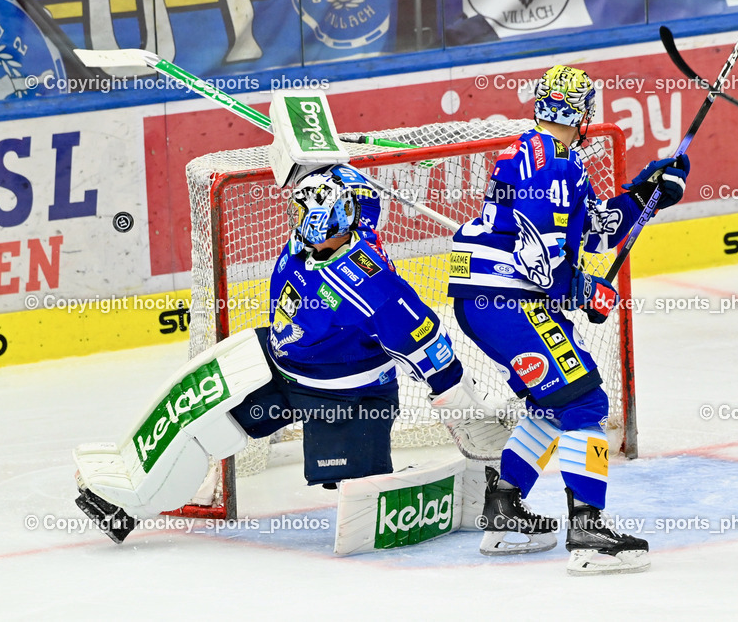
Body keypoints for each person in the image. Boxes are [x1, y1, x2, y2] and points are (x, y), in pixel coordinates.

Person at [74, 167, 498, 544]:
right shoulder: (330, 225)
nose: (296, 222)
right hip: (276, 363)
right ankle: (124, 507)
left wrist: (465, 411)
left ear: (332, 220)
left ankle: (491, 484)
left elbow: (428, 346)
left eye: (305, 215)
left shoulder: (374, 286)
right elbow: (345, 183)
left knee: (362, 490)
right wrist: (317, 156)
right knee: (195, 415)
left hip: (345, 397)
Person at [447, 64, 690, 574]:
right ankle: (587, 531)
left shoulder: (545, 156)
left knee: (553, 403)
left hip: (493, 301)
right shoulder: (554, 165)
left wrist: (646, 193)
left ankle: (505, 511)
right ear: (582, 111)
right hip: (508, 302)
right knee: (585, 401)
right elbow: (541, 259)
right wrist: (584, 290)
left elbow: (595, 228)